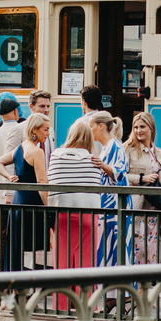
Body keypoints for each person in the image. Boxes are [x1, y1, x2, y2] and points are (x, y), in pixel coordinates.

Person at [48, 118, 107, 282]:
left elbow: (51, 181)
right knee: (86, 260)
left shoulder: (55, 157)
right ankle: (85, 302)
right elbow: (97, 183)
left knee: (62, 260)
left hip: (62, 212)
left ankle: (61, 303)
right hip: (88, 213)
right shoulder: (93, 160)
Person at [123, 112, 161, 263]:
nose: (138, 130)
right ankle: (136, 285)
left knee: (153, 252)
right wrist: (141, 178)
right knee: (137, 251)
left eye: (142, 127)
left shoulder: (160, 153)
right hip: (137, 209)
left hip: (154, 210)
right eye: (135, 127)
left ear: (151, 128)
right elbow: (119, 176)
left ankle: (147, 285)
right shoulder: (128, 149)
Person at [8, 113, 52, 270]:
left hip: (18, 201)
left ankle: (16, 285)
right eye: (45, 130)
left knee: (18, 246)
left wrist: (10, 176)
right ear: (35, 129)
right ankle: (32, 286)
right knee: (34, 248)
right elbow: (42, 182)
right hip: (33, 204)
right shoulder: (36, 152)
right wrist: (48, 208)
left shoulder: (20, 148)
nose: (48, 133)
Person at [89, 111, 130, 267]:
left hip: (113, 206)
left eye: (91, 126)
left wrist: (102, 165)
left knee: (112, 246)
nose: (89, 129)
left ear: (100, 126)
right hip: (110, 205)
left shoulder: (113, 146)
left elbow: (120, 174)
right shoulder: (110, 146)